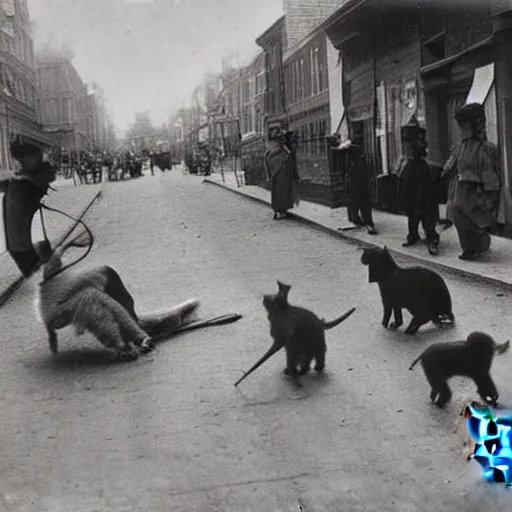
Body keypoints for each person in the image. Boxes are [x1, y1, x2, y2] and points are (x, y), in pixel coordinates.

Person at [442, 103, 501, 260]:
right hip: (460, 190)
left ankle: (479, 243)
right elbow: (450, 166)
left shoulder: (487, 149)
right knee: (458, 213)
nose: (462, 128)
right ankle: (469, 247)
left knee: (473, 218)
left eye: (465, 124)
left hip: (476, 192)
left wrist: (490, 194)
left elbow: (491, 176)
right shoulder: (459, 148)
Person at [0, 135, 56, 277]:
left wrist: (20, 178)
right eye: (20, 158)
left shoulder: (39, 175)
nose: (22, 162)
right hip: (16, 240)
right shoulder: (16, 179)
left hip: (30, 238)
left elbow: (44, 179)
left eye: (27, 157)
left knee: (42, 273)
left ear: (37, 158)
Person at [395, 118, 440, 256]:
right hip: (411, 193)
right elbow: (403, 180)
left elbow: (424, 185)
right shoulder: (408, 163)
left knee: (427, 217)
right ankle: (413, 236)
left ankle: (432, 240)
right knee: (412, 217)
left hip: (424, 195)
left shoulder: (422, 165)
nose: (406, 148)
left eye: (409, 146)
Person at [342, 137, 377, 235]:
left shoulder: (362, 160)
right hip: (355, 185)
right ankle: (358, 220)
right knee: (355, 204)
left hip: (361, 185)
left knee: (363, 205)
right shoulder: (352, 158)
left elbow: (367, 173)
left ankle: (367, 223)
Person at [264, 127, 300, 220]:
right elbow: (269, 158)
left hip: (281, 175)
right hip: (281, 175)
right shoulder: (280, 149)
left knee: (280, 192)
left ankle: (279, 211)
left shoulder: (282, 149)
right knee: (282, 192)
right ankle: (280, 211)